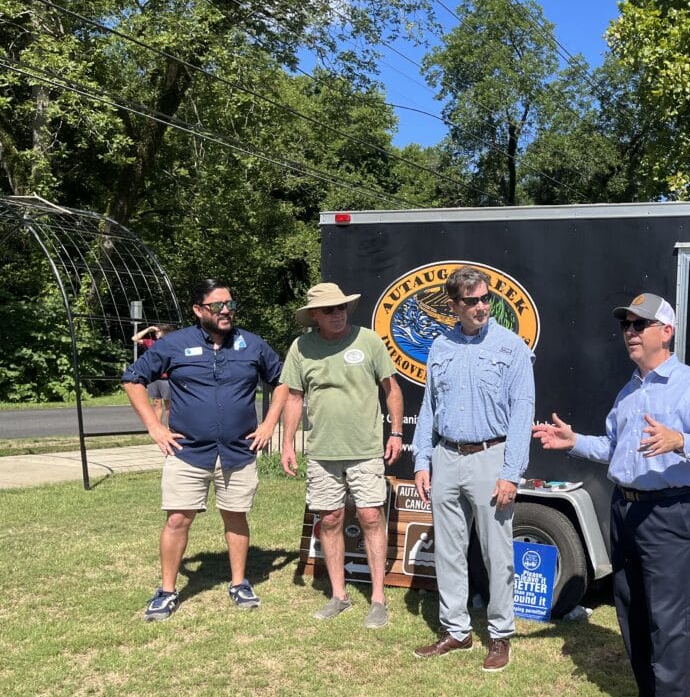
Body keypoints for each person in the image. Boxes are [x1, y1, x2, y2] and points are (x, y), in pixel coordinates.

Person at [532, 292, 690, 697]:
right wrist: (574, 441)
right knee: (632, 613)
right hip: (625, 509)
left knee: (669, 623)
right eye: (625, 324)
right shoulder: (630, 390)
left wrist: (680, 440)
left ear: (667, 332)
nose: (629, 332)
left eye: (639, 324)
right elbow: (615, 447)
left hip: (669, 513)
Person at [122, 281, 287, 621]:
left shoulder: (252, 344)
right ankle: (167, 590)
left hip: (238, 451)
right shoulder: (174, 344)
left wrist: (270, 424)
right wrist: (154, 426)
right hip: (188, 451)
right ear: (198, 310)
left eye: (230, 304)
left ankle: (239, 583)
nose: (226, 311)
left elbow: (284, 380)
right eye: (217, 306)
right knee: (177, 519)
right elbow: (133, 378)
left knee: (236, 516)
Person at [411, 265, 535, 672]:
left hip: (490, 457)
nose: (481, 307)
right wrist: (422, 459)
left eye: (486, 299)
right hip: (446, 456)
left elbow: (523, 412)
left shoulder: (511, 347)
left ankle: (500, 635)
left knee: (497, 553)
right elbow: (429, 406)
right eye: (472, 301)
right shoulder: (439, 347)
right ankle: (457, 630)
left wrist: (511, 472)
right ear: (454, 305)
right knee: (448, 551)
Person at [280, 282, 405, 629]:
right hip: (322, 450)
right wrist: (288, 443)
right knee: (331, 519)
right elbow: (294, 398)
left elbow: (392, 390)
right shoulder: (301, 347)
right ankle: (339, 595)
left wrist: (396, 432)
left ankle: (378, 599)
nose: (337, 314)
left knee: (370, 516)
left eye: (341, 307)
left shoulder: (369, 341)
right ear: (314, 316)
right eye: (328, 310)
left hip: (365, 449)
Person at [132, 324, 175, 424]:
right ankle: (158, 427)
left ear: (165, 332)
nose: (156, 333)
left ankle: (170, 427)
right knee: (156, 403)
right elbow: (134, 338)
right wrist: (148, 329)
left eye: (158, 331)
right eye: (155, 332)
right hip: (153, 378)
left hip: (166, 379)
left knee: (168, 404)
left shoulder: (170, 344)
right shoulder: (151, 343)